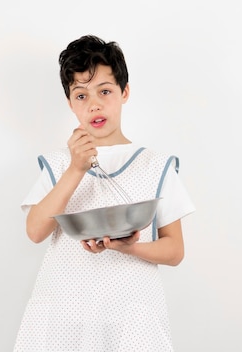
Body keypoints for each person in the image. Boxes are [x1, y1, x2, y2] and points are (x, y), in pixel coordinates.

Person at [14, 35, 195, 351]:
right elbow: (35, 231)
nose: (93, 104)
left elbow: (174, 250)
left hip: (132, 320)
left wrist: (125, 247)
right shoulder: (59, 164)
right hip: (63, 317)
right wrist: (76, 168)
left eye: (105, 91)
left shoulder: (156, 166)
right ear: (70, 104)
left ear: (124, 92)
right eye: (81, 95)